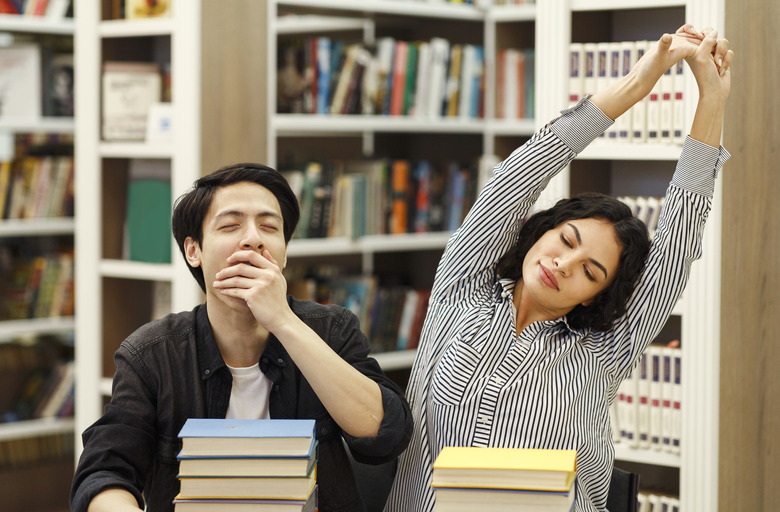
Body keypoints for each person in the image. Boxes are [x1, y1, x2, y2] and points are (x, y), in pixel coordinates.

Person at [384, 25, 733, 512]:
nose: (563, 264)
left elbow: (680, 233)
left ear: (595, 295)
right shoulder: (459, 293)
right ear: (541, 231)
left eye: (590, 272)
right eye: (565, 240)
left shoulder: (605, 350)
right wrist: (638, 81)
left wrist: (711, 97)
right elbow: (519, 173)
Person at [70, 163, 413, 512]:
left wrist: (283, 321)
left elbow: (384, 434)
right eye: (231, 225)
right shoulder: (152, 355)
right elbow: (103, 473)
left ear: (283, 254)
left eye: (269, 227)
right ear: (194, 251)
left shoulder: (332, 330)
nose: (253, 239)